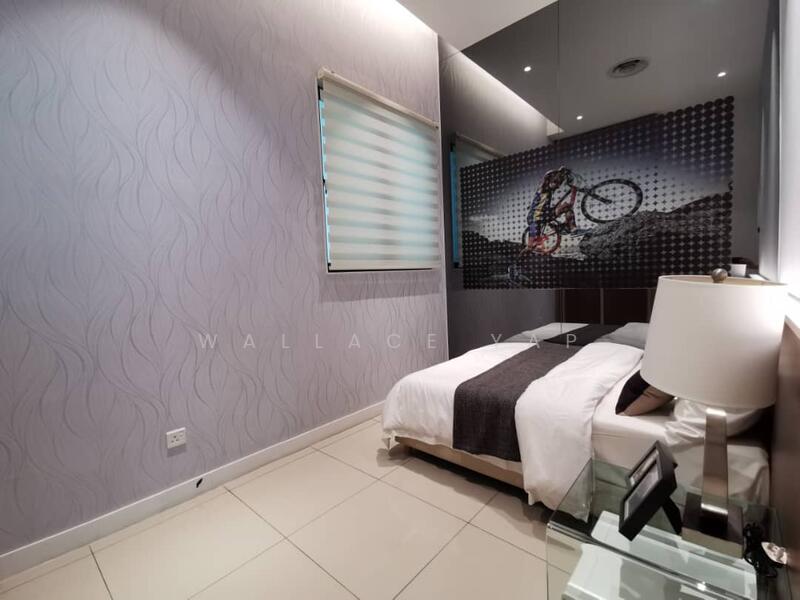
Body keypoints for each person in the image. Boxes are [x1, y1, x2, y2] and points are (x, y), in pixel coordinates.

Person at [523, 166, 577, 253]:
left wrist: (565, 176)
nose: (558, 186)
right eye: (556, 183)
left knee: (566, 206)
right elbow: (547, 176)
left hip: (545, 214)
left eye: (559, 184)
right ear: (549, 181)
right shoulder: (543, 188)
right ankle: (519, 261)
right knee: (531, 246)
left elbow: (556, 181)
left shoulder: (550, 190)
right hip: (535, 218)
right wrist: (559, 171)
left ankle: (572, 228)